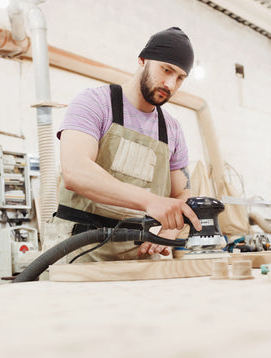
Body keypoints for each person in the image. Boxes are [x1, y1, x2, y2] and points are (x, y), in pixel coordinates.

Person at [52, 26, 202, 262]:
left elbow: (181, 192)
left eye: (180, 78)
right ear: (142, 60)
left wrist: (173, 225)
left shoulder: (172, 129)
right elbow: (75, 172)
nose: (170, 84)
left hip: (140, 252)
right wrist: (150, 201)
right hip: (78, 249)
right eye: (166, 70)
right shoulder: (94, 103)